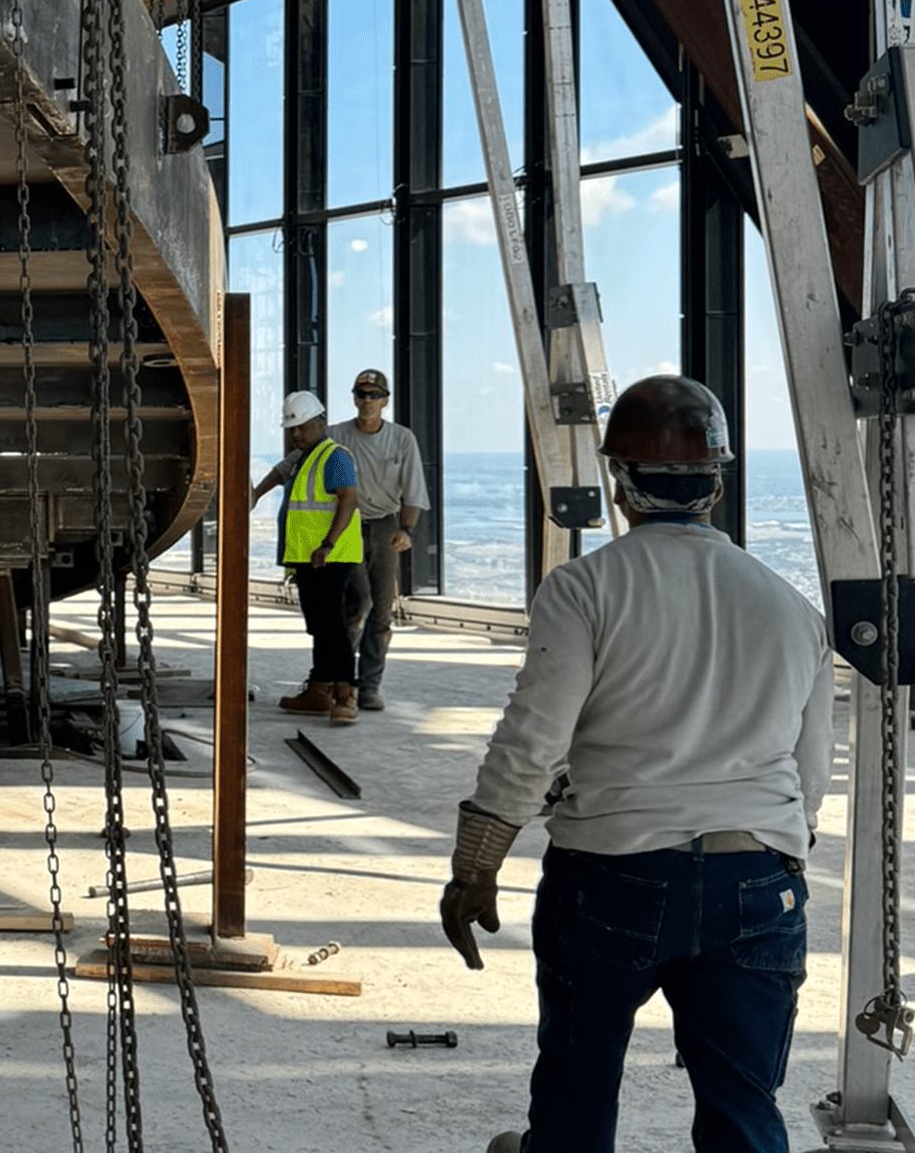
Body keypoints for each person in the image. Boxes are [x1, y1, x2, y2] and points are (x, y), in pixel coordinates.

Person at [440, 375, 833, 1153]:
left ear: (619, 485)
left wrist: (475, 866)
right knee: (745, 1105)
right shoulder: (793, 609)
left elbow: (532, 743)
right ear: (717, 483)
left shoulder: (584, 589)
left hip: (613, 875)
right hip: (757, 880)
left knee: (577, 1088)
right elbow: (809, 776)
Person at [250, 391, 363, 725]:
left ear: (321, 424)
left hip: (330, 556)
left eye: (301, 427)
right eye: (291, 428)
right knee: (320, 626)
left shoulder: (334, 457)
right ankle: (319, 689)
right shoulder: (303, 458)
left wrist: (328, 543)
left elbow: (349, 499)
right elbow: (279, 472)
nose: (296, 434)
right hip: (309, 557)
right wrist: (255, 494)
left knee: (332, 626)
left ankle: (345, 694)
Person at [327, 368, 430, 711]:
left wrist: (406, 530)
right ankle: (343, 683)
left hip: (386, 526)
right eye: (362, 394)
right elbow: (300, 467)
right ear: (354, 398)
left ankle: (369, 685)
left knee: (382, 610)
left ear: (385, 401)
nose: (368, 401)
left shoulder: (401, 439)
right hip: (347, 524)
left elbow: (414, 490)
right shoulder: (335, 436)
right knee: (357, 604)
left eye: (375, 395)